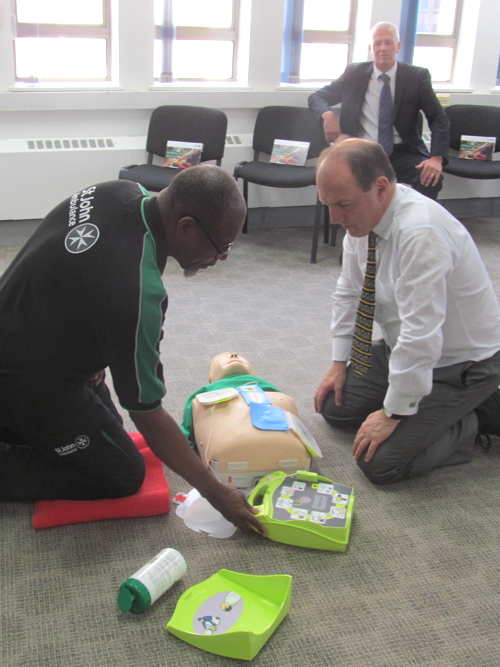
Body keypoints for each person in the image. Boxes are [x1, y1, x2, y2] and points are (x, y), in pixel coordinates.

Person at [0, 165, 265, 535]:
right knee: (121, 472)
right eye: (222, 246)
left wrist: (98, 350)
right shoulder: (136, 292)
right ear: (186, 226)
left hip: (18, 331)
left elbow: (74, 271)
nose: (222, 258)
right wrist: (217, 493)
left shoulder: (119, 190)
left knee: (107, 429)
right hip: (26, 379)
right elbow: (146, 411)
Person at [314, 138, 500, 484]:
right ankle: (437, 408)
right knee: (335, 408)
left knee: (380, 463)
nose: (335, 218)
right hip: (404, 346)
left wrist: (391, 413)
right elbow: (349, 293)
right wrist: (339, 364)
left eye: (342, 204)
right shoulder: (362, 220)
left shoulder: (421, 233)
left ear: (381, 188)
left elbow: (421, 333)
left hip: (461, 363)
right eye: (328, 205)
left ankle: (471, 418)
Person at [308, 22, 450, 201]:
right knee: (346, 181)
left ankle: (415, 228)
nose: (383, 48)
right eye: (377, 43)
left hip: (403, 151)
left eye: (389, 42)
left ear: (398, 46)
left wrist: (436, 158)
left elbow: (438, 118)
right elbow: (317, 97)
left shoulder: (416, 77)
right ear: (370, 48)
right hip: (362, 151)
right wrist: (327, 115)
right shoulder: (354, 73)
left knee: (430, 179)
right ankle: (359, 228)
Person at [180, 353, 311, 483]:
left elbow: (185, 435)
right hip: (289, 456)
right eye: (222, 358)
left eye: (242, 358)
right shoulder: (201, 399)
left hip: (229, 459)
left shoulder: (275, 393)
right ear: (211, 379)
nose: (233, 355)